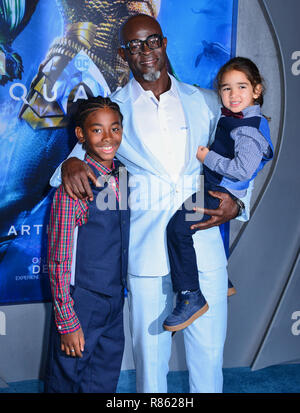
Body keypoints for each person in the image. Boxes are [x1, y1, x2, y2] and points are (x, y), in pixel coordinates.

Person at [50, 14, 249, 393]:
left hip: (202, 243)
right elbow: (71, 166)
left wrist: (238, 204)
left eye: (152, 40)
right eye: (135, 45)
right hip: (146, 251)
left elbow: (242, 155)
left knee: (208, 356)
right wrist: (70, 162)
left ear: (165, 43)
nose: (146, 51)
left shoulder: (205, 101)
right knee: (150, 361)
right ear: (123, 54)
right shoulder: (114, 109)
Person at [164, 57, 273, 332]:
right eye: (226, 88)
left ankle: (190, 295)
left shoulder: (248, 129)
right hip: (213, 186)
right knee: (192, 231)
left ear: (256, 91)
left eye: (241, 87)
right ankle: (221, 281)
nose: (233, 95)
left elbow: (242, 170)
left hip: (219, 192)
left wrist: (208, 157)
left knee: (178, 230)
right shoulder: (236, 117)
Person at [44, 96, 130, 393]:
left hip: (114, 299)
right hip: (82, 301)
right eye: (97, 130)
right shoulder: (72, 189)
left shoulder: (122, 174)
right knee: (68, 377)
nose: (108, 137)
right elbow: (58, 260)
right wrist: (67, 320)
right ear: (81, 135)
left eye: (115, 128)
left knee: (104, 378)